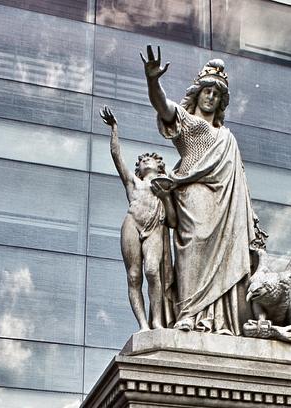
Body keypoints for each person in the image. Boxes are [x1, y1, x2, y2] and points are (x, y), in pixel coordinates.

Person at [141, 46, 264, 335]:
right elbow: (163, 107)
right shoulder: (187, 122)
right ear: (197, 93)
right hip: (192, 197)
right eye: (207, 91)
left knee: (227, 256)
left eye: (217, 94)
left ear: (221, 101)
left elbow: (239, 182)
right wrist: (152, 81)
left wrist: (250, 218)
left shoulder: (226, 137)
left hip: (224, 204)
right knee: (192, 247)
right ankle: (188, 314)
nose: (210, 97)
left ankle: (216, 320)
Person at [100, 106, 176, 330]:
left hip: (155, 228)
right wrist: (114, 129)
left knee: (152, 270)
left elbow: (172, 221)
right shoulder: (133, 182)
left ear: (159, 165)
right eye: (142, 160)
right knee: (134, 276)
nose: (144, 161)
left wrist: (166, 197)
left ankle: (157, 322)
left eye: (149, 159)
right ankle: (144, 325)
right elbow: (116, 156)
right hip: (132, 224)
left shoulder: (165, 187)